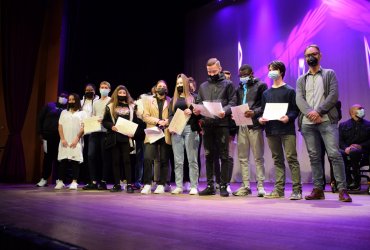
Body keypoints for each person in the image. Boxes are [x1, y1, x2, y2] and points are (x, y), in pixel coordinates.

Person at [296, 44, 352, 202]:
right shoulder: (301, 79)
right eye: (307, 55)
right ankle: (318, 189)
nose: (310, 57)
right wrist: (310, 114)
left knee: (334, 154)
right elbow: (299, 99)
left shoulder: (329, 74)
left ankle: (342, 190)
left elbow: (333, 95)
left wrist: (318, 111)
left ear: (320, 55)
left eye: (313, 54)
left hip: (327, 120)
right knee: (314, 157)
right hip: (307, 123)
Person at [257, 60, 302, 200]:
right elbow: (263, 111)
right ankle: (279, 190)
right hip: (271, 130)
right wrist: (260, 119)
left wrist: (288, 117)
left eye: (273, 69)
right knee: (277, 160)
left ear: (281, 72)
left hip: (286, 129)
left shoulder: (289, 90)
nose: (271, 72)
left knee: (291, 159)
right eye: (269, 69)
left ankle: (297, 190)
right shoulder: (266, 93)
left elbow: (295, 110)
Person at [193, 58, 237, 197]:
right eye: (209, 71)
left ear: (219, 68)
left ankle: (223, 185)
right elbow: (199, 101)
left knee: (224, 155)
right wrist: (197, 111)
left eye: (214, 71)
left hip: (222, 124)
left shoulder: (228, 84)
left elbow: (233, 102)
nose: (211, 74)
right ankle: (210, 185)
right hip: (207, 124)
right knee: (209, 156)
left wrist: (225, 110)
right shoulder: (203, 86)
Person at [232, 64, 267, 197]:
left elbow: (264, 106)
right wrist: (234, 113)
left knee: (258, 157)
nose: (242, 78)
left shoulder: (261, 86)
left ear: (252, 73)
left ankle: (260, 186)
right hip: (242, 125)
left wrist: (254, 112)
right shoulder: (239, 88)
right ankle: (246, 186)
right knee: (242, 157)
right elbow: (236, 104)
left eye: (245, 75)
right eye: (240, 76)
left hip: (255, 125)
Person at [168, 73, 200, 195]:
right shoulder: (174, 99)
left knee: (192, 159)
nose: (180, 85)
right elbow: (170, 115)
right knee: (178, 160)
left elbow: (200, 113)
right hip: (177, 130)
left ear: (187, 84)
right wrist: (171, 126)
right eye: (178, 84)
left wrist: (192, 111)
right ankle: (179, 186)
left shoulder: (194, 97)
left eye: (182, 83)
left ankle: (193, 186)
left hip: (190, 129)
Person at [102, 85, 138, 193]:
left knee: (127, 161)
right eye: (120, 93)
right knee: (116, 161)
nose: (122, 94)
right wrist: (111, 126)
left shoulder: (132, 106)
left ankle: (129, 185)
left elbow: (135, 121)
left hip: (126, 137)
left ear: (126, 94)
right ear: (116, 94)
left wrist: (132, 132)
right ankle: (117, 184)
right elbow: (105, 121)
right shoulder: (110, 106)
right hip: (115, 137)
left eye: (124, 93)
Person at [141, 80, 172, 194]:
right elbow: (145, 116)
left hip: (165, 132)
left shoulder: (170, 100)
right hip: (152, 131)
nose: (162, 88)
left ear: (167, 88)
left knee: (164, 159)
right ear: (156, 88)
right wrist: (158, 121)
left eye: (164, 86)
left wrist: (167, 121)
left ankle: (162, 184)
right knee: (148, 158)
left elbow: (173, 115)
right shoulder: (149, 100)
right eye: (160, 86)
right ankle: (147, 183)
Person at [83, 81, 112, 191]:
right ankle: (94, 181)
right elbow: (93, 116)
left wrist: (104, 120)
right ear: (99, 89)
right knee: (91, 155)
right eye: (102, 87)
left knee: (104, 157)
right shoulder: (95, 102)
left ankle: (103, 182)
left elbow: (113, 117)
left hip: (105, 132)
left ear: (109, 89)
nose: (103, 89)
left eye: (106, 87)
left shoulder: (111, 101)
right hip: (94, 131)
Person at [36, 91, 68, 187]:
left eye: (66, 97)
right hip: (48, 135)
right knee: (47, 158)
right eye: (62, 96)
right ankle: (44, 178)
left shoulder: (66, 110)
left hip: (60, 137)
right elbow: (40, 119)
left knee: (60, 158)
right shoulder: (49, 105)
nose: (64, 98)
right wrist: (40, 133)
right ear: (58, 97)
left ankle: (59, 179)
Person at [55, 93, 87, 190]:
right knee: (63, 161)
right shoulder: (64, 112)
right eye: (69, 99)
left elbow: (83, 127)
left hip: (76, 140)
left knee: (75, 161)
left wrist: (77, 138)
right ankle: (60, 181)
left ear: (77, 101)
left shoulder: (82, 113)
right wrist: (62, 139)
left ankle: (74, 181)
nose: (71, 101)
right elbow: (60, 126)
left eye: (73, 99)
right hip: (65, 140)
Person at [339, 104, 370, 191]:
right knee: (339, 154)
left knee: (354, 152)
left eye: (362, 108)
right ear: (352, 112)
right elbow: (340, 141)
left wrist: (361, 146)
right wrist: (346, 148)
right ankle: (348, 181)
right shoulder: (343, 125)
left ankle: (356, 181)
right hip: (347, 150)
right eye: (360, 109)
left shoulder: (368, 125)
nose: (362, 110)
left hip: (363, 152)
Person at [80, 83, 100, 184]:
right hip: (83, 133)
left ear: (94, 91)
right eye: (87, 90)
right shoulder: (81, 102)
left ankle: (95, 179)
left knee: (92, 155)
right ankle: (87, 179)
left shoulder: (98, 101)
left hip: (94, 132)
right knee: (84, 156)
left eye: (91, 90)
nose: (89, 92)